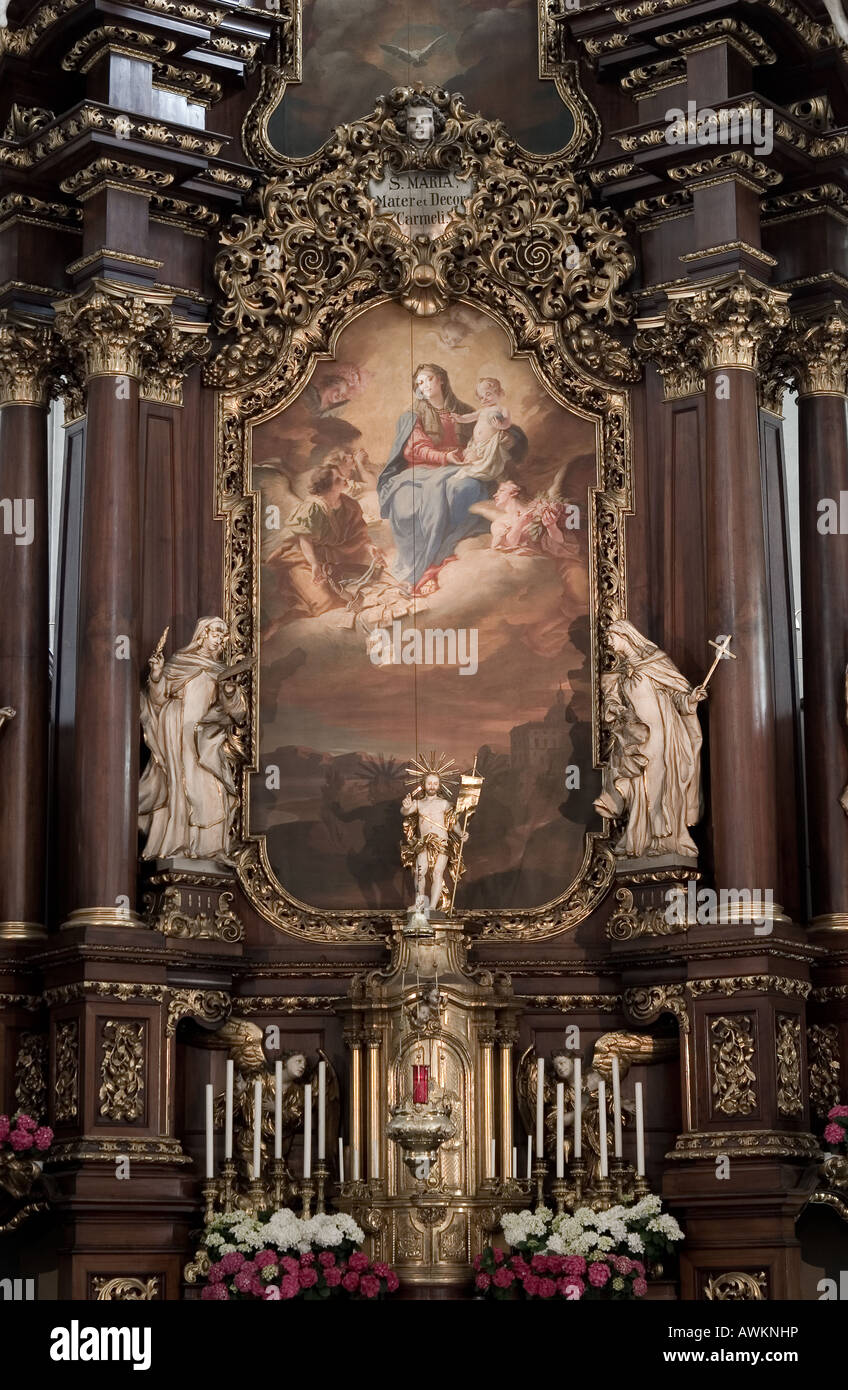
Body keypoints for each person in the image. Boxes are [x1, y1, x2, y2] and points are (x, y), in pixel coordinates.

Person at [378, 363, 526, 594]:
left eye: (428, 379)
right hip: (421, 470)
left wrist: (505, 439)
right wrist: (446, 457)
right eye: (420, 383)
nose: (424, 385)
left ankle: (444, 551)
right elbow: (414, 450)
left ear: (441, 380)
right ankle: (421, 566)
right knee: (414, 500)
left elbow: (494, 432)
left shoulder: (465, 410)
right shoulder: (412, 415)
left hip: (464, 465)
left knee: (465, 487)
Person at [594, 618, 706, 858]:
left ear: (625, 635)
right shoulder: (620, 674)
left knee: (660, 781)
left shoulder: (656, 661)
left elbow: (678, 695)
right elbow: (614, 703)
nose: (609, 643)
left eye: (611, 637)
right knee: (638, 784)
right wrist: (616, 710)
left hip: (661, 732)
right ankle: (639, 840)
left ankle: (664, 839)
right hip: (636, 736)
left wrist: (690, 700)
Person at [139, 617, 246, 862]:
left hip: (206, 738)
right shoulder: (181, 662)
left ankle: (212, 849)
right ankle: (179, 844)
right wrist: (156, 676)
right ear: (202, 635)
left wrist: (229, 693)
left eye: (222, 635)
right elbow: (157, 699)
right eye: (215, 633)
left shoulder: (223, 671)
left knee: (215, 787)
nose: (220, 639)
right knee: (181, 785)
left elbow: (238, 712)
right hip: (177, 730)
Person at [268, 463, 384, 619]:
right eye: (337, 479)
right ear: (325, 486)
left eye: (341, 476)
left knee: (360, 591)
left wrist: (370, 547)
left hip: (330, 559)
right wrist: (314, 564)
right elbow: (305, 540)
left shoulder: (349, 505)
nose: (344, 479)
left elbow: (357, 534)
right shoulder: (313, 508)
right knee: (326, 603)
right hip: (302, 557)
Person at [451, 377, 513, 482]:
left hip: (489, 444)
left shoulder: (502, 409)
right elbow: (470, 417)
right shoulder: (482, 411)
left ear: (499, 393)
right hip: (477, 444)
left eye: (488, 394)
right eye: (481, 397)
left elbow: (507, 423)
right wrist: (460, 418)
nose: (484, 399)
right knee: (469, 461)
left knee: (485, 464)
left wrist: (500, 426)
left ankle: (483, 477)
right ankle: (468, 475)